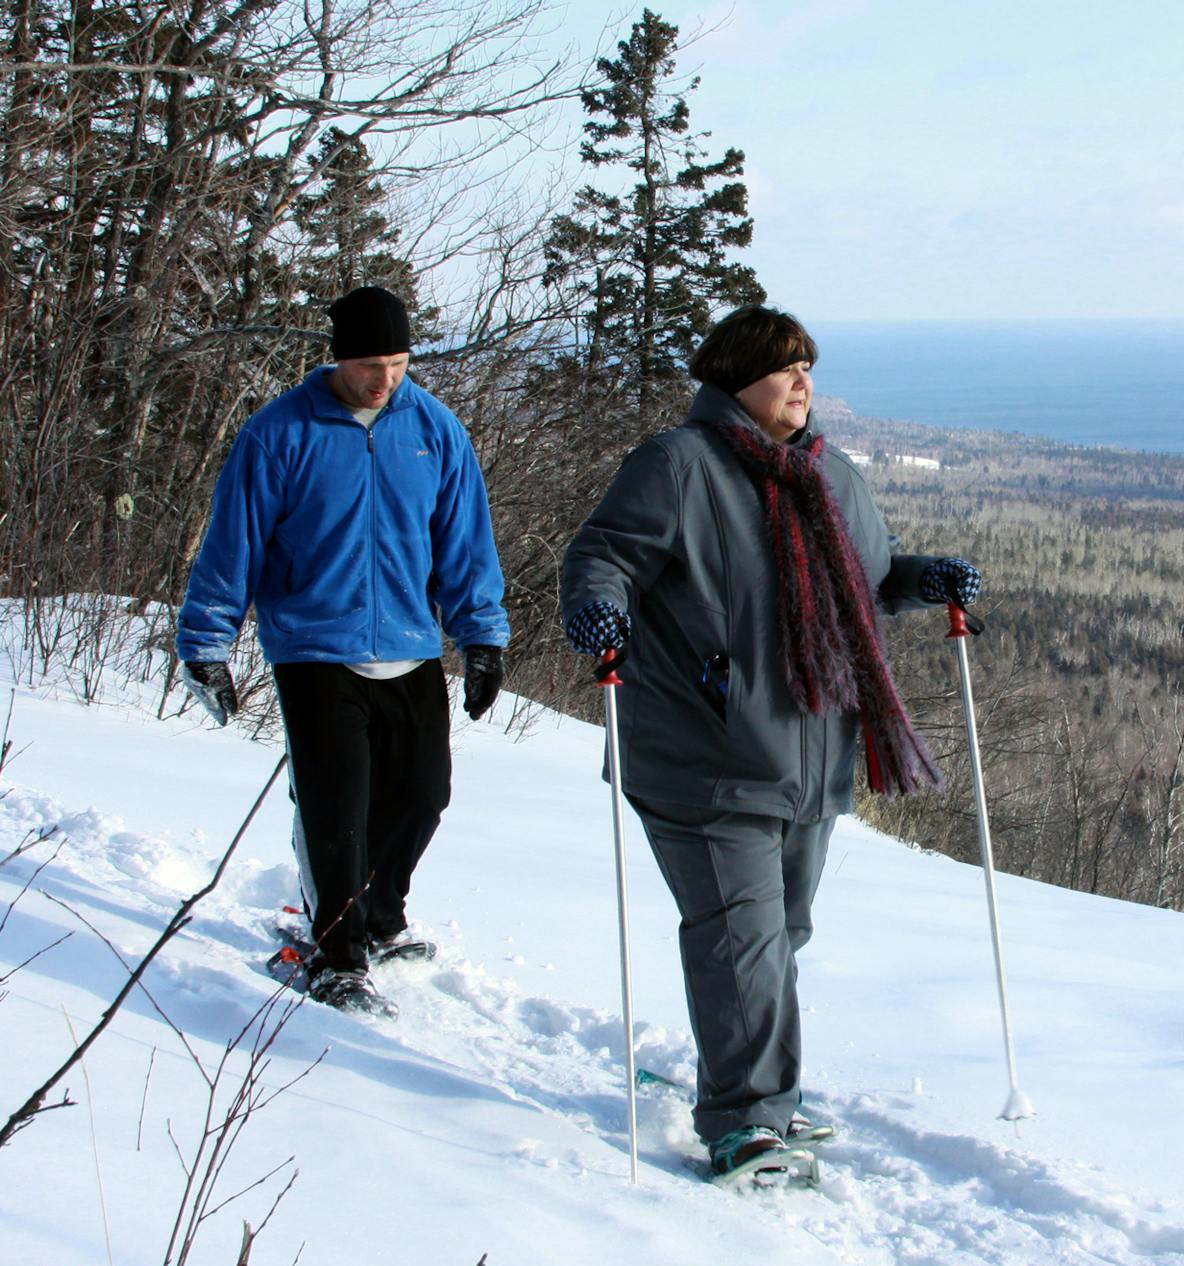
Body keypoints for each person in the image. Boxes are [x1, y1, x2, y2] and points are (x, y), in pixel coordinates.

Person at [560, 305, 982, 1177]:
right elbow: (603, 554)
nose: (804, 384)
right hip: (704, 753)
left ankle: (759, 1095)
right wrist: (597, 609)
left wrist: (921, 578)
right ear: (738, 377)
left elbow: (869, 574)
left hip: (811, 758)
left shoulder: (832, 476)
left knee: (778, 931)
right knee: (741, 937)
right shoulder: (677, 466)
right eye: (787, 368)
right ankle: (747, 1118)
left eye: (809, 369)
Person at [176, 286, 510, 1016]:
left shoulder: (435, 430)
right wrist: (206, 643)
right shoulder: (279, 433)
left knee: (423, 795)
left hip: (410, 645)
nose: (385, 379)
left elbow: (464, 545)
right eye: (368, 365)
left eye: (396, 362)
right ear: (337, 359)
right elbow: (232, 547)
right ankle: (335, 952)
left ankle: (379, 917)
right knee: (337, 809)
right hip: (313, 647)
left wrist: (481, 636)